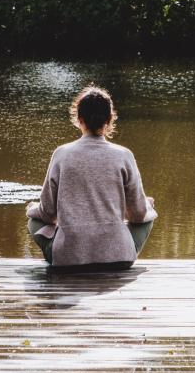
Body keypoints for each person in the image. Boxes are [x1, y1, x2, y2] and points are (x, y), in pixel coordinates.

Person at [26, 86, 156, 268]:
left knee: (34, 221)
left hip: (69, 259)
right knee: (148, 217)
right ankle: (117, 250)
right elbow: (137, 214)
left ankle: (66, 248)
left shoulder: (61, 154)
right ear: (109, 120)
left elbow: (47, 213)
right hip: (117, 258)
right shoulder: (124, 155)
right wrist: (148, 206)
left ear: (79, 120)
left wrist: (32, 208)